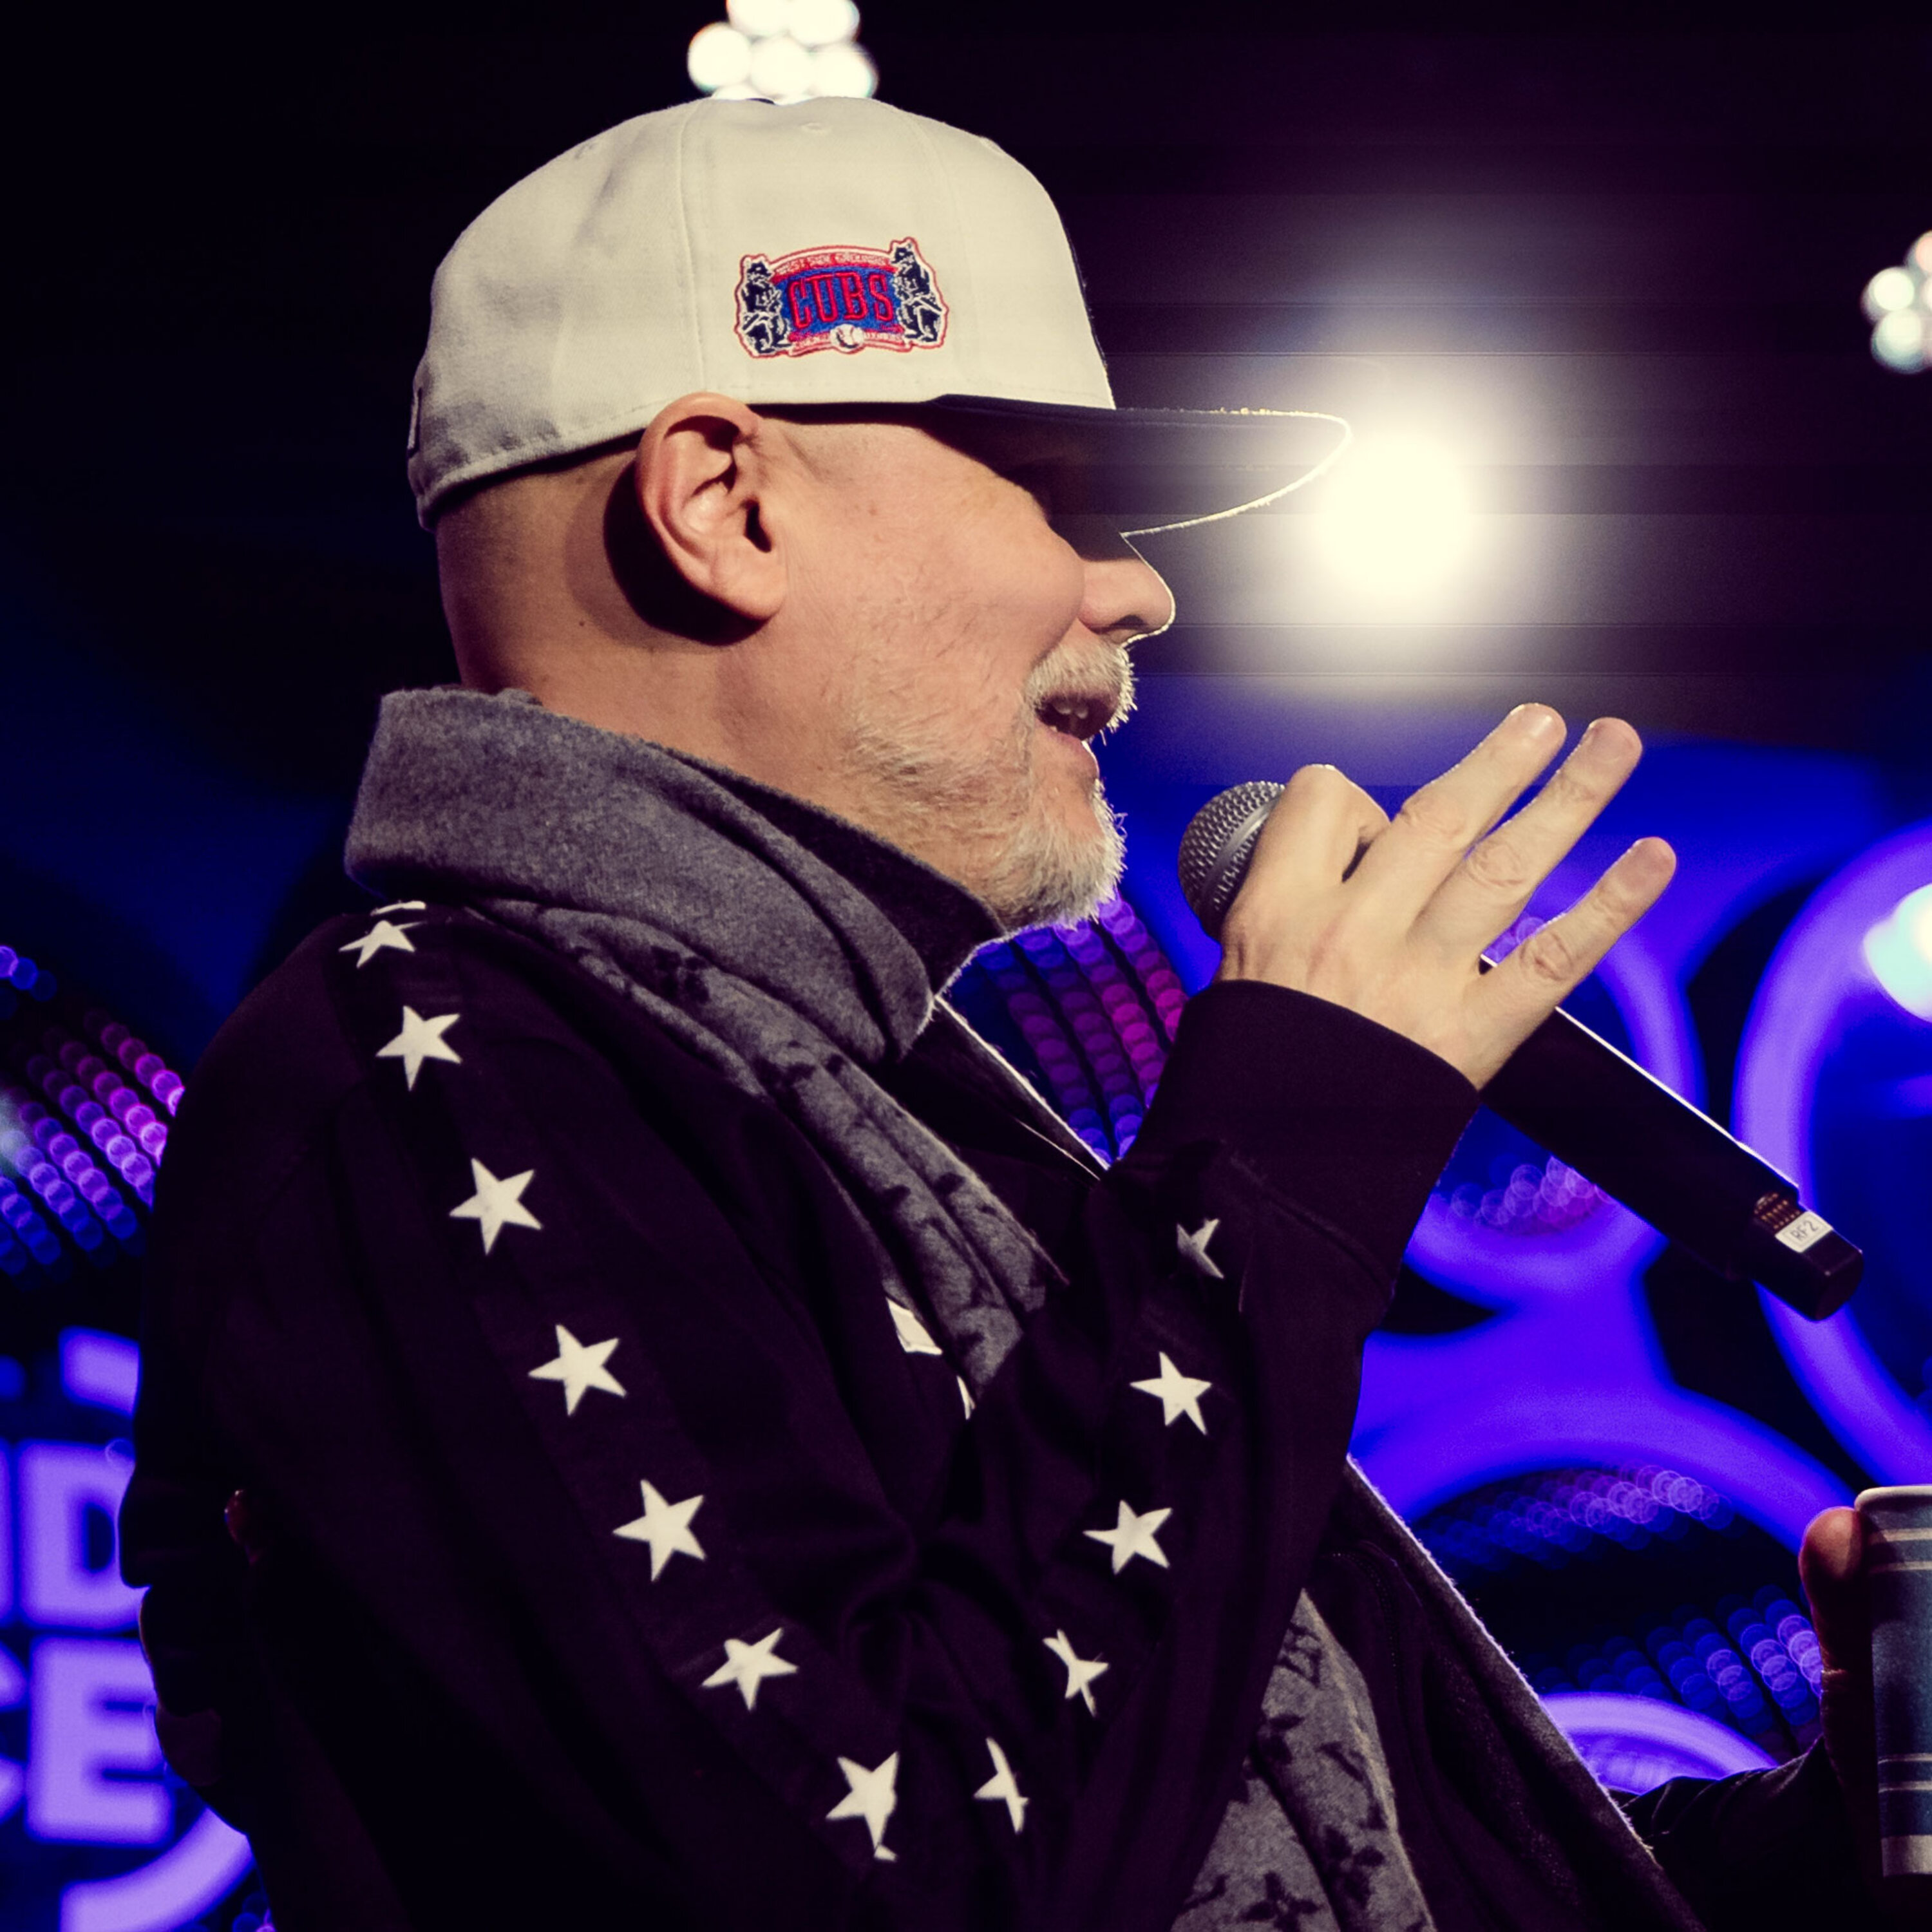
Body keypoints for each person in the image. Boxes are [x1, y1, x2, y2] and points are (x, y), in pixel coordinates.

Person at [122, 97, 1881, 1931]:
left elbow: (1312, 1863)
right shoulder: (438, 1063)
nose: (1142, 587)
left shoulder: (909, 1113)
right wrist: (1280, 1169)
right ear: (724, 508)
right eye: (1054, 487)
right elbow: (908, 1879)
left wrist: (1845, 1834)